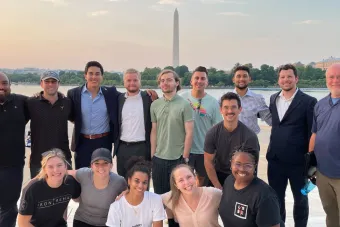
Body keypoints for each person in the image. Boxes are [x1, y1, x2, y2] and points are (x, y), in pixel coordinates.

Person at [267, 64, 317, 227]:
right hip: (275, 161)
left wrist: (312, 162)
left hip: (299, 163)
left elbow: (313, 133)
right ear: (278, 80)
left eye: (289, 76)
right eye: (282, 77)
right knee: (276, 199)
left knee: (301, 198)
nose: (286, 80)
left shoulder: (309, 101)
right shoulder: (273, 99)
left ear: (296, 79)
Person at [67, 61, 120, 169]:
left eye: (97, 74)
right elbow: (70, 115)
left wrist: (146, 93)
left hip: (103, 141)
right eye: (91, 73)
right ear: (85, 75)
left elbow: (128, 95)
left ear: (102, 76)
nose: (94, 77)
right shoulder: (74, 93)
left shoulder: (110, 93)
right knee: (81, 176)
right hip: (82, 142)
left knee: (102, 175)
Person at [150, 69, 194, 194]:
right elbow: (154, 131)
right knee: (159, 196)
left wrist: (185, 157)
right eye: (162, 81)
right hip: (158, 158)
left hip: (177, 158)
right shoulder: (155, 105)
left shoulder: (185, 105)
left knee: (178, 197)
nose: (165, 83)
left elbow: (189, 132)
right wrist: (152, 155)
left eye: (169, 80)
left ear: (176, 83)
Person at [204, 92, 260, 189]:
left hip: (240, 175)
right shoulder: (212, 133)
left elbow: (252, 166)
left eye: (233, 107)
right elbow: (208, 162)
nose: (230, 111)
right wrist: (217, 186)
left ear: (240, 109)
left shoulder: (250, 136)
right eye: (226, 107)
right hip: (218, 175)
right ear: (221, 110)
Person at [219, 145, 284, 227]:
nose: (242, 169)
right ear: (231, 164)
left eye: (248, 165)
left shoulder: (264, 196)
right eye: (238, 164)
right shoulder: (229, 181)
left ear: (255, 167)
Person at [309, 63, 340, 227]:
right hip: (322, 172)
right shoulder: (320, 105)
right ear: (326, 80)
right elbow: (315, 134)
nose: (335, 80)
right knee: (331, 213)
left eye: (339, 77)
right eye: (331, 77)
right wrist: (310, 164)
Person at [180, 66, 222, 186]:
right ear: (191, 81)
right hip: (185, 150)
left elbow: (218, 128)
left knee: (203, 183)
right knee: (184, 182)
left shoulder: (213, 102)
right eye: (196, 78)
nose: (199, 81)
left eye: (203, 78)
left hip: (205, 151)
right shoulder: (182, 98)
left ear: (207, 82)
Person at [17, 148, 81, 227]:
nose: (56, 170)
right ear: (44, 169)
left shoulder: (70, 182)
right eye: (50, 167)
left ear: (65, 166)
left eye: (59, 165)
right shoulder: (33, 189)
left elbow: (80, 199)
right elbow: (22, 223)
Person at [27, 70, 73, 178]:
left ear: (58, 84)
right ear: (41, 84)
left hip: (63, 157)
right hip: (38, 158)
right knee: (38, 192)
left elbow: (76, 120)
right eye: (47, 81)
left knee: (64, 192)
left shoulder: (67, 103)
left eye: (53, 81)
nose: (50, 84)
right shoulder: (31, 103)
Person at [68, 148, 127, 227]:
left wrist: (126, 192)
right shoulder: (84, 174)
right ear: (91, 166)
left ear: (111, 166)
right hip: (82, 220)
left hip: (106, 223)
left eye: (105, 163)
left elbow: (132, 192)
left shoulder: (119, 181)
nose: (101, 167)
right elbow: (64, 172)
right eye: (97, 163)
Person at [0, 72, 29, 227]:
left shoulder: (22, 102)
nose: (1, 87)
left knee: (9, 208)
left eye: (4, 83)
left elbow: (43, 103)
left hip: (13, 166)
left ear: (10, 85)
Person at [106, 157, 166, 227]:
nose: (140, 186)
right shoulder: (116, 207)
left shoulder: (156, 200)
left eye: (144, 182)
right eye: (137, 181)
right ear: (129, 181)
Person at [115, 68, 153, 178]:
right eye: (129, 80)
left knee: (142, 181)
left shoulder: (148, 98)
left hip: (142, 147)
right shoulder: (119, 99)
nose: (132, 83)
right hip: (122, 148)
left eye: (135, 80)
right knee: (123, 181)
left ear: (140, 81)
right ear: (124, 82)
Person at [231, 65, 271, 134]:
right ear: (233, 79)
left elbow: (269, 118)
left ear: (249, 79)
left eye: (244, 76)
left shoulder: (258, 98)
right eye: (238, 76)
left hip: (251, 140)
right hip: (230, 140)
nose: (241, 79)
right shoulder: (225, 98)